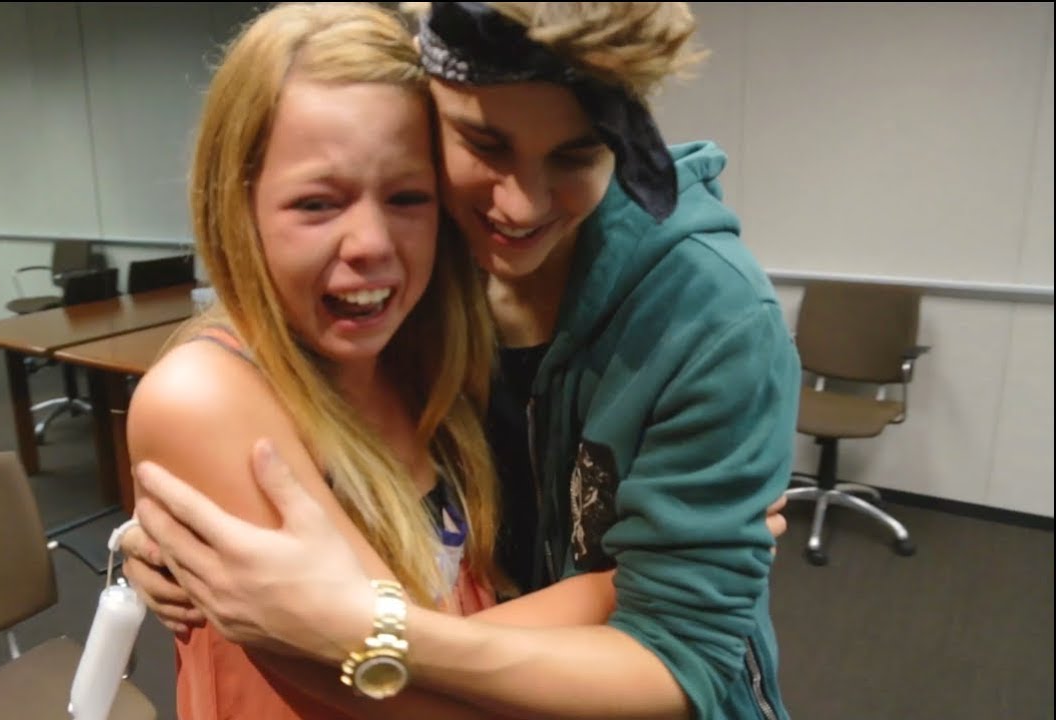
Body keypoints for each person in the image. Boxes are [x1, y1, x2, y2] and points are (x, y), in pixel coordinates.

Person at [131, 2, 799, 718]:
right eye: (484, 143)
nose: (519, 207)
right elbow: (385, 678)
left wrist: (369, 630)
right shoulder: (415, 305)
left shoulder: (702, 318)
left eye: (575, 154)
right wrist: (619, 584)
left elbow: (673, 656)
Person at [123, 3, 513, 718]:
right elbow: (411, 692)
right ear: (238, 208)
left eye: (408, 197)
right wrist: (636, 588)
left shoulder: (418, 362)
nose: (371, 243)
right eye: (317, 204)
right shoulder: (204, 396)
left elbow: (456, 637)